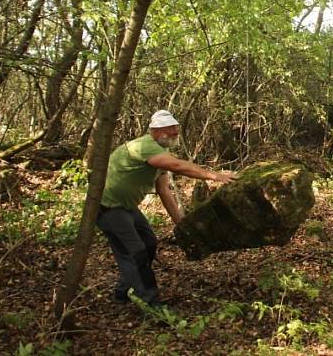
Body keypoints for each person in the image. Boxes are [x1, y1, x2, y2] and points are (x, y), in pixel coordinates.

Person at [97, 110, 236, 306]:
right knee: (135, 251)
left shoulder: (160, 153)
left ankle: (123, 292)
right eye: (171, 131)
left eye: (176, 130)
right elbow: (178, 166)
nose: (175, 134)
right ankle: (151, 302)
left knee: (149, 243)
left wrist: (181, 223)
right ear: (157, 131)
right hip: (108, 207)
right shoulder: (145, 146)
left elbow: (164, 191)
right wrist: (213, 176)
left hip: (127, 207)